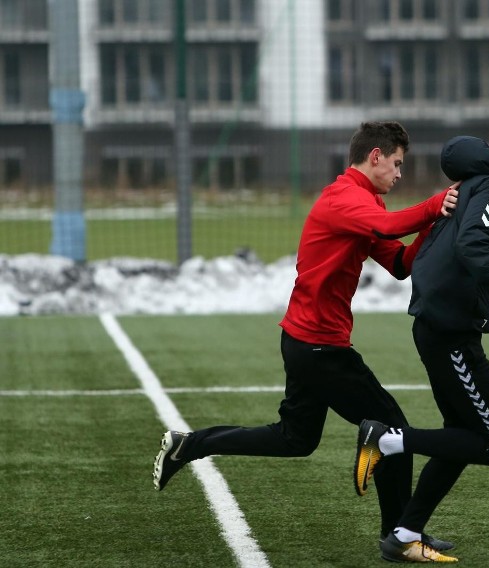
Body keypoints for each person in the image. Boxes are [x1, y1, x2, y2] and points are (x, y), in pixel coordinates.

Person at [152, 121, 459, 556]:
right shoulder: (344, 199)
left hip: (305, 343)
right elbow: (390, 228)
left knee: (294, 439)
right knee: (393, 431)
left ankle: (191, 445)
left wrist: (437, 223)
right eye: (396, 164)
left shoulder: (362, 202)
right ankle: (399, 536)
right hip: (319, 348)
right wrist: (436, 203)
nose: (398, 174)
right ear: (375, 157)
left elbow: (400, 262)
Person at [353, 109, 489, 563]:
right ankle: (388, 440)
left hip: (441, 325)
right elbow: (473, 248)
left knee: (462, 435)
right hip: (449, 333)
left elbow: (473, 261)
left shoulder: (479, 185)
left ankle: (403, 533)